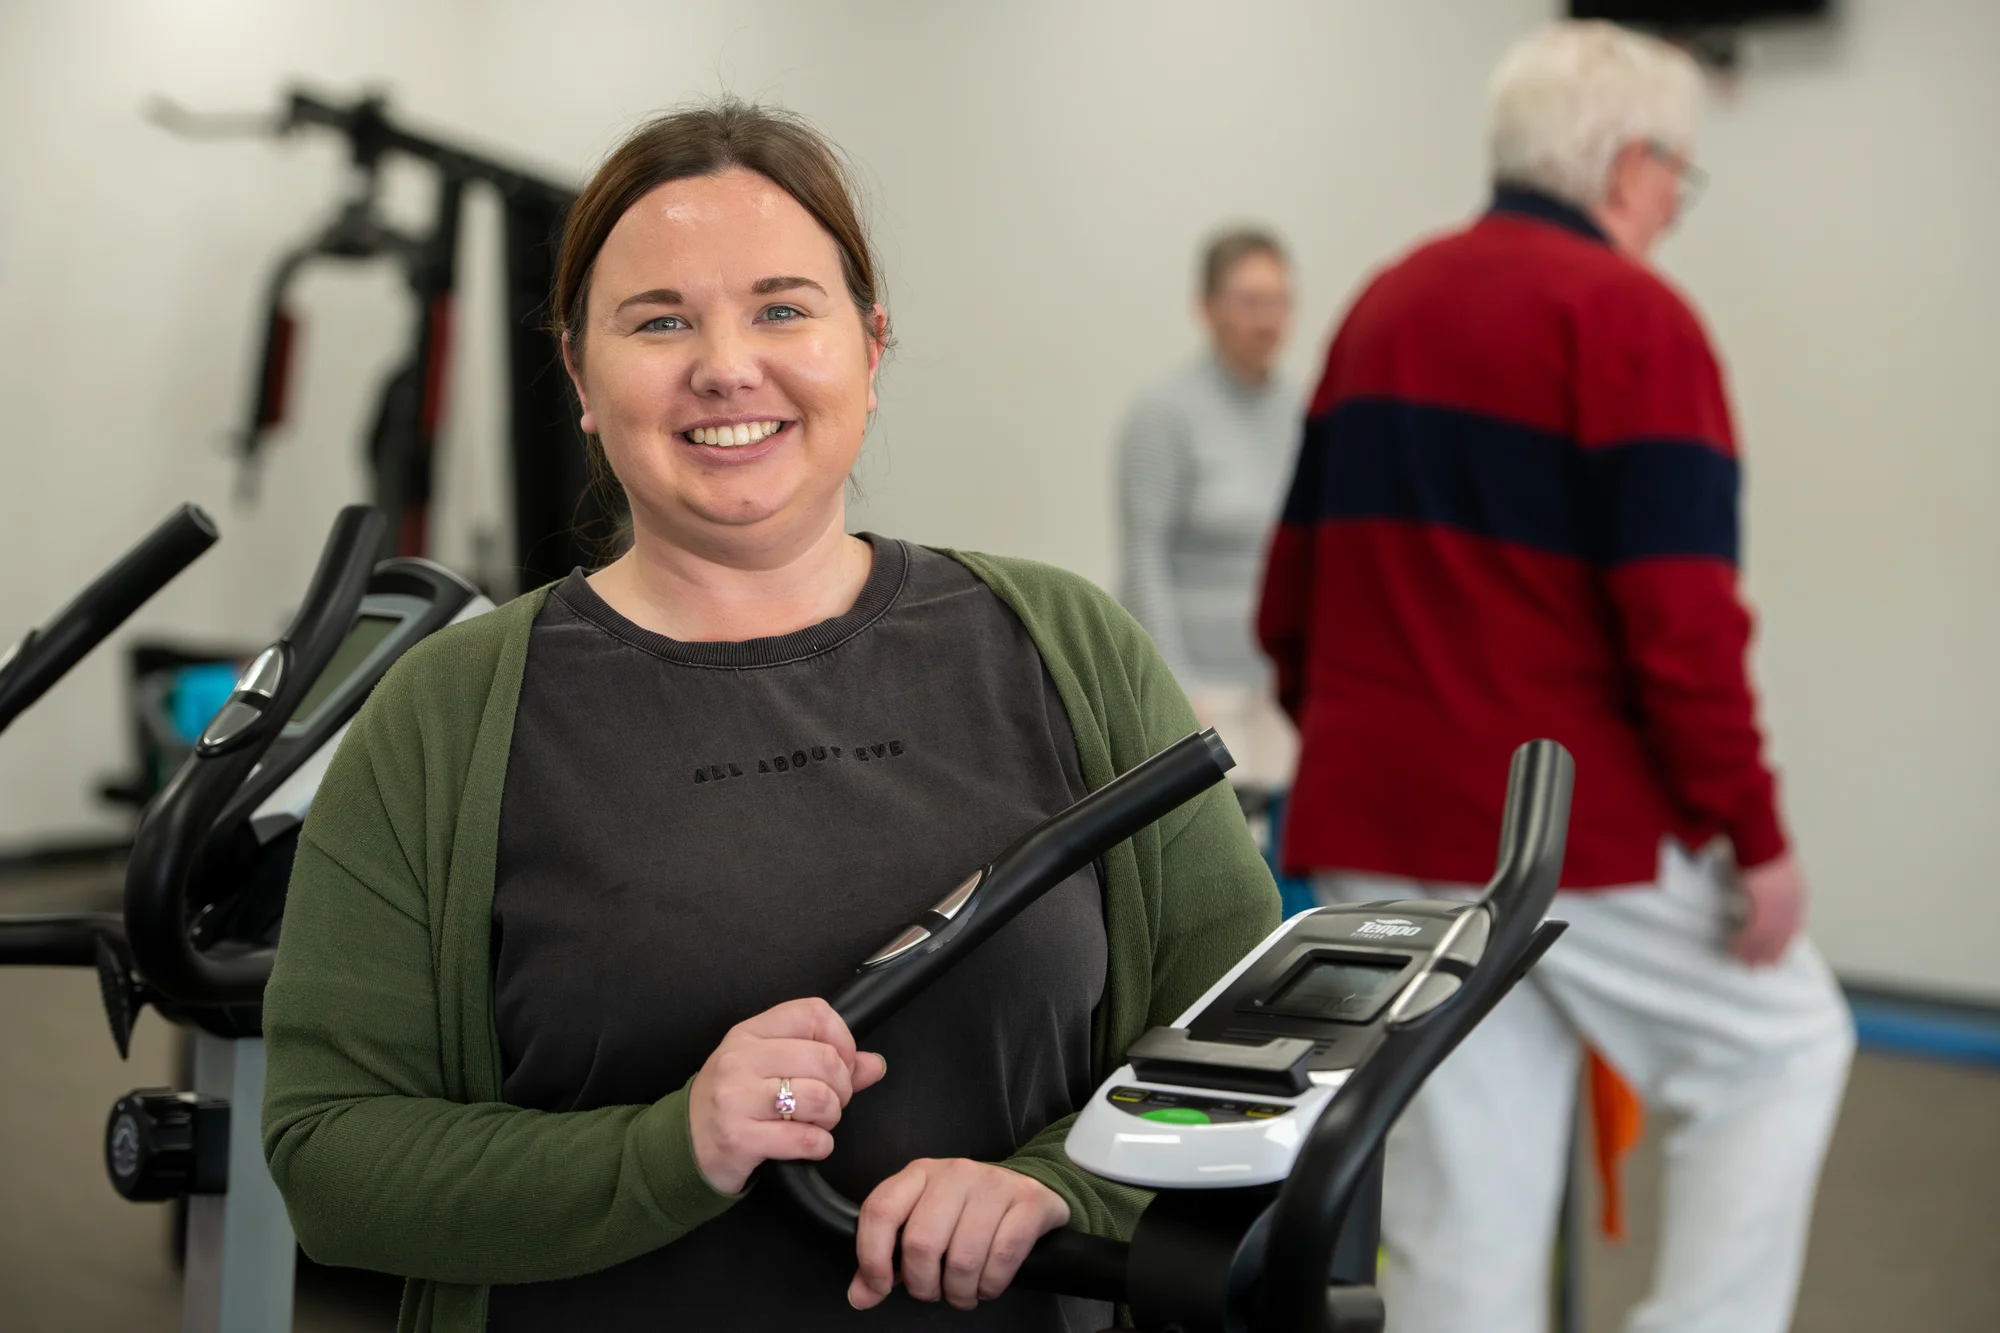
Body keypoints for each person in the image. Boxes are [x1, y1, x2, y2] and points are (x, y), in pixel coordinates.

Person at [260, 100, 1278, 1333]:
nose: (727, 365)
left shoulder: (1065, 645)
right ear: (580, 375)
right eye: (659, 321)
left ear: (870, 342)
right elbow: (332, 1157)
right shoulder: (449, 711)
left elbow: (1247, 1054)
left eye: (783, 308)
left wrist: (1056, 1189)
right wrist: (667, 1147)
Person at [1257, 22, 1853, 1333]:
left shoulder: (1383, 302)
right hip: (1559, 833)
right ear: (1630, 163)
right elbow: (1683, 626)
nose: (1670, 213)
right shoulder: (1634, 319)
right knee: (1789, 1043)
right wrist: (1754, 836)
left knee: (1466, 1200)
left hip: (1380, 815)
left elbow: (1287, 599)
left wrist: (1377, 748)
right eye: (1676, 179)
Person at [1116, 229, 1300, 789]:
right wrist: (1177, 688)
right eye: (1250, 302)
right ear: (1208, 308)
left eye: (1279, 301)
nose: (1267, 319)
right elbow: (1144, 557)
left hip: (1278, 689)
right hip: (1200, 689)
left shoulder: (1301, 408)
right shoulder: (1165, 413)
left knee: (1282, 868)